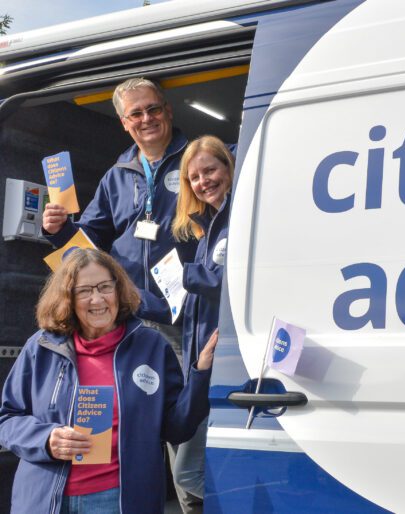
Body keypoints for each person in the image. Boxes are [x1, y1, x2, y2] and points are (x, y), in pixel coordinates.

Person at [0, 248, 217, 514]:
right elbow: (7, 419)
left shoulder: (152, 347)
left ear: (119, 289)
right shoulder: (42, 346)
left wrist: (201, 374)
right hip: (44, 500)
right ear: (67, 298)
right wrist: (46, 439)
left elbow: (176, 429)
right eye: (84, 291)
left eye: (105, 287)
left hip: (118, 501)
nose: (97, 299)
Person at [42, 76, 197, 331]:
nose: (146, 119)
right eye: (135, 114)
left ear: (168, 111)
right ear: (125, 123)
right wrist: (59, 229)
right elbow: (91, 237)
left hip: (185, 314)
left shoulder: (198, 162)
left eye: (153, 109)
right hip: (128, 312)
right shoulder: (116, 175)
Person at [169, 135, 234, 510]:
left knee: (187, 472)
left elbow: (237, 280)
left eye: (210, 170)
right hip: (204, 362)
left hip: (224, 359)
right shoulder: (207, 225)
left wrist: (188, 275)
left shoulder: (238, 215)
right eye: (194, 177)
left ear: (228, 167)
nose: (203, 181)